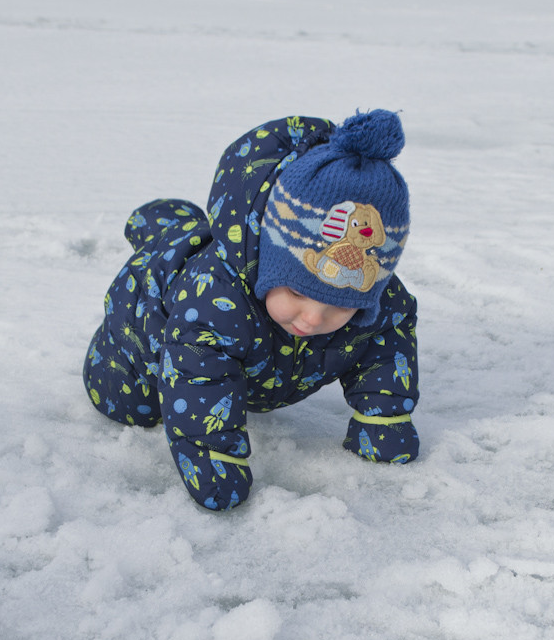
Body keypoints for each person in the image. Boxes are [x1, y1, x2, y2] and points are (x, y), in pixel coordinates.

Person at [83, 109, 420, 511]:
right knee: (125, 404)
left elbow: (388, 347)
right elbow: (199, 383)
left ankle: (186, 224)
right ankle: (166, 228)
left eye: (340, 304)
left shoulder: (377, 300)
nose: (312, 318)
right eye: (297, 292)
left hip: (259, 358)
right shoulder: (213, 304)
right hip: (145, 318)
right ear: (266, 264)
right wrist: (216, 467)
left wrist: (384, 423)